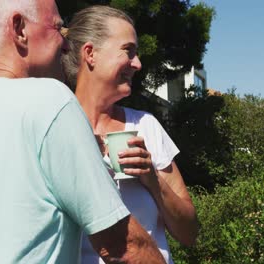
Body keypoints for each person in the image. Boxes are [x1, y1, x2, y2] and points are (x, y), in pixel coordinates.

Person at [0, 0, 166, 263]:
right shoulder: (49, 100)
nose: (65, 43)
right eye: (58, 28)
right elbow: (125, 246)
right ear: (19, 29)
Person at [62, 5, 200, 264]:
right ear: (90, 54)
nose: (137, 64)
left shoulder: (146, 126)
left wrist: (153, 179)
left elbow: (190, 233)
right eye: (129, 51)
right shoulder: (55, 129)